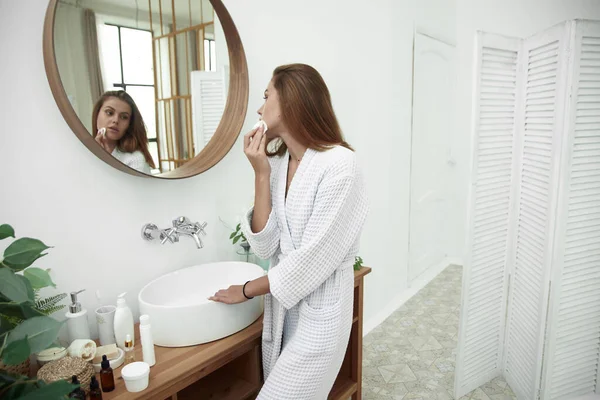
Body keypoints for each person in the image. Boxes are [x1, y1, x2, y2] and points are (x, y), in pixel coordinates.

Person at [209, 64, 369, 399]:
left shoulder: (341, 165)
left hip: (321, 315)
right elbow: (266, 247)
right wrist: (261, 174)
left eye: (266, 96)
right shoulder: (280, 166)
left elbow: (312, 260)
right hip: (284, 313)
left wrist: (247, 290)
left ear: (293, 101)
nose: (258, 107)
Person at [92, 90, 155, 174]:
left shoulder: (135, 159)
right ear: (97, 114)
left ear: (129, 124)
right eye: (109, 113)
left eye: (124, 117)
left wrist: (102, 158)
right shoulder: (83, 150)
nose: (116, 120)